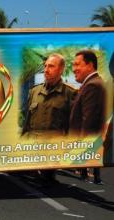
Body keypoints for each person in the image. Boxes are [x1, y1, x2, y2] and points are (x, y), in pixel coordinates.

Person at [23, 53, 77, 184]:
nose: (46, 70)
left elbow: (73, 123)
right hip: (32, 147)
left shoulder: (70, 93)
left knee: (48, 183)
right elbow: (27, 120)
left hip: (53, 148)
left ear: (61, 70)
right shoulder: (34, 91)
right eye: (45, 66)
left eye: (51, 66)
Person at [70, 50, 106, 185]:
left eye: (77, 64)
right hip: (92, 137)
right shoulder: (91, 83)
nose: (74, 69)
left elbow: (88, 118)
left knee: (92, 157)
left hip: (89, 136)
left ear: (90, 65)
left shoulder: (92, 85)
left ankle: (92, 176)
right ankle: (89, 175)